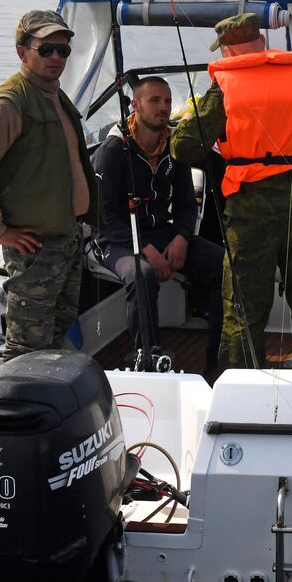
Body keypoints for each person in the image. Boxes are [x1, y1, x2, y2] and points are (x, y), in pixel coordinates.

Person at [171, 12, 292, 370]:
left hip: (250, 212)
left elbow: (185, 148)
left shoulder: (226, 86)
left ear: (228, 51)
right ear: (261, 43)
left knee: (243, 310)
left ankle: (240, 392)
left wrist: (188, 122)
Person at [0, 9, 100, 359]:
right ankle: (19, 406)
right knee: (27, 342)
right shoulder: (10, 102)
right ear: (23, 51)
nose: (56, 58)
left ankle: (45, 402)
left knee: (57, 326)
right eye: (46, 49)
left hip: (66, 234)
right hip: (35, 245)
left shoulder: (54, 96)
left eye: (63, 51)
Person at [94, 75, 224, 377]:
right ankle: (149, 361)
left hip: (162, 231)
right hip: (116, 241)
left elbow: (184, 204)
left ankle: (217, 362)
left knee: (224, 266)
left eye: (167, 101)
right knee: (142, 274)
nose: (163, 107)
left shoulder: (172, 145)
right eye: (154, 100)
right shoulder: (113, 152)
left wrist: (181, 237)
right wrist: (146, 250)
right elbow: (106, 216)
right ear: (134, 105)